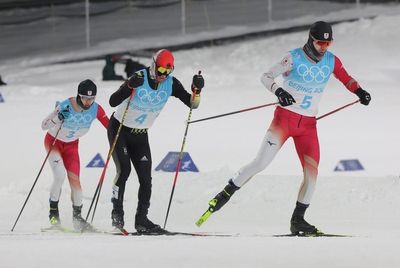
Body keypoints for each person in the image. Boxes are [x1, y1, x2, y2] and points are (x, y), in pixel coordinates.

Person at [204, 21, 371, 235]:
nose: (324, 47)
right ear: (311, 39)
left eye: (328, 43)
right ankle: (225, 192)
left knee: (312, 175)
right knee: (260, 163)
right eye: (320, 42)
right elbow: (265, 76)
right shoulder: (293, 58)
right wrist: (279, 92)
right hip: (284, 120)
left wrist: (359, 92)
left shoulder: (331, 61)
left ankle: (298, 221)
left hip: (308, 126)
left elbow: (346, 78)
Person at [108, 49, 204, 233]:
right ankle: (117, 215)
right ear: (153, 65)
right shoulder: (139, 78)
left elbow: (193, 104)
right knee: (124, 170)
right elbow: (113, 101)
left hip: (140, 134)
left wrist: (197, 91)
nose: (163, 76)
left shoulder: (171, 83)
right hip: (119, 129)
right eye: (160, 71)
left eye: (168, 72)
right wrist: (129, 85)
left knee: (146, 179)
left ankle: (141, 220)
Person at [41, 79, 109, 231]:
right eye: (85, 98)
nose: (88, 102)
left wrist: (119, 137)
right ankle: (53, 216)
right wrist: (58, 118)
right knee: (59, 176)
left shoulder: (96, 109)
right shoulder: (65, 105)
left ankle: (78, 220)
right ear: (79, 95)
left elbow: (109, 126)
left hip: (72, 146)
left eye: (92, 99)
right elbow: (43, 125)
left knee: (76, 183)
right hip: (54, 142)